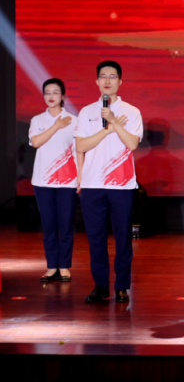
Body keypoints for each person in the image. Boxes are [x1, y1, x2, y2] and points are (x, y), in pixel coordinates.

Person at [75, 60, 144, 304]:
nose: (107, 80)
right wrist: (107, 130)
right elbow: (81, 145)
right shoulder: (86, 112)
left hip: (121, 185)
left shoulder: (131, 112)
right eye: (103, 76)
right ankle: (101, 286)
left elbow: (132, 144)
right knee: (96, 239)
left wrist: (114, 121)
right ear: (96, 81)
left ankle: (122, 286)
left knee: (123, 238)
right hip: (92, 184)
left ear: (120, 81)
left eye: (112, 76)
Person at [28, 78, 82, 283]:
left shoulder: (74, 121)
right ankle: (52, 266)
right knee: (49, 225)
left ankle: (64, 266)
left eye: (55, 92)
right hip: (43, 181)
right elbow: (36, 142)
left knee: (66, 225)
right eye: (47, 92)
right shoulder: (37, 120)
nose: (51, 96)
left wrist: (81, 177)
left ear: (63, 96)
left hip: (68, 180)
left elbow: (79, 150)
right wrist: (56, 126)